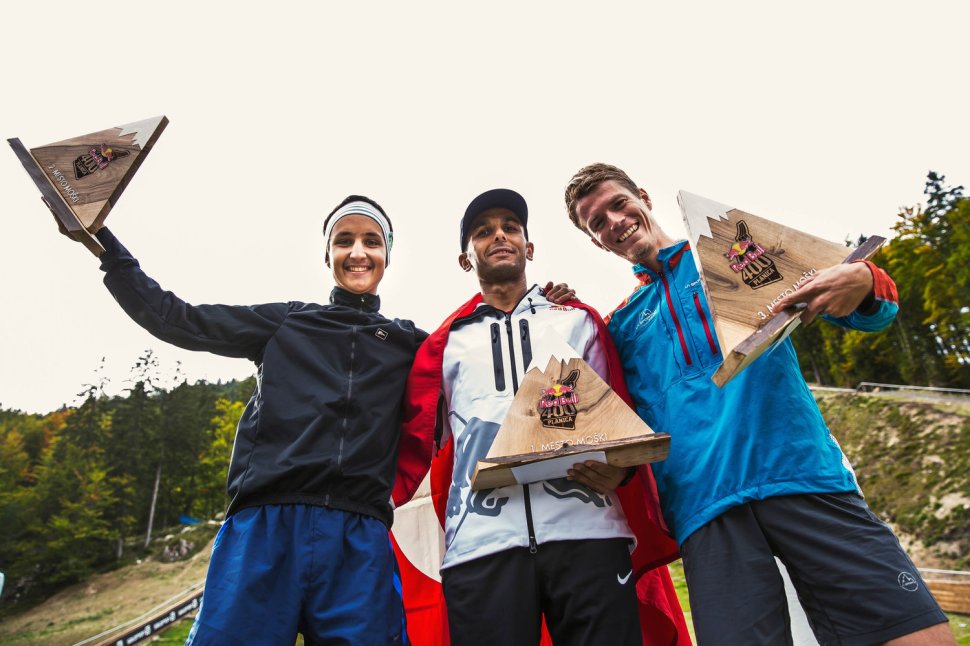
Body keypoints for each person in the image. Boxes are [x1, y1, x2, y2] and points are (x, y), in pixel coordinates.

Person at [563, 163, 955, 645]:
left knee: (919, 636)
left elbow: (870, 312)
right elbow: (620, 424)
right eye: (597, 223)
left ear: (643, 196)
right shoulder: (619, 326)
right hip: (706, 511)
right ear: (596, 242)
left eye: (618, 205)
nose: (614, 222)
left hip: (803, 476)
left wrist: (864, 281)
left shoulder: (728, 254)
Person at [87, 196, 425, 644]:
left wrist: (548, 308)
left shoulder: (410, 343)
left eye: (371, 241)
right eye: (344, 241)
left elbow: (479, 360)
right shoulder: (287, 322)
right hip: (265, 527)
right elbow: (179, 319)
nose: (358, 252)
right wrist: (108, 248)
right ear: (328, 255)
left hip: (358, 537)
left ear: (387, 256)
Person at [391, 189, 690, 646]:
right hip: (480, 546)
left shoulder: (580, 321)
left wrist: (622, 471)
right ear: (465, 258)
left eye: (511, 227)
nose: (499, 236)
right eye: (483, 231)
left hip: (588, 534)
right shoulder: (441, 348)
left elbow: (620, 418)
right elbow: (413, 442)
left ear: (529, 248)